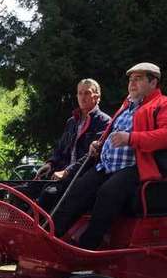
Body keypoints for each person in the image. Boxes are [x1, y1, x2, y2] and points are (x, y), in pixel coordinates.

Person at [51, 62, 167, 249]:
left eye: (138, 79)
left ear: (153, 82)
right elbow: (111, 132)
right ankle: (50, 238)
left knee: (108, 192)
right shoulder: (126, 105)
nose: (132, 83)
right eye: (131, 79)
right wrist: (99, 144)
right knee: (77, 190)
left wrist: (131, 138)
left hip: (137, 167)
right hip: (107, 166)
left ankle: (87, 247)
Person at [35, 79, 111, 211]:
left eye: (87, 93)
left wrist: (68, 171)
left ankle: (41, 230)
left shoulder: (104, 122)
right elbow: (60, 148)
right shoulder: (72, 121)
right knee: (26, 189)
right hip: (60, 173)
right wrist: (50, 163)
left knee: (48, 194)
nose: (82, 97)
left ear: (97, 97)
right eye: (79, 93)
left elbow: (92, 157)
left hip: (81, 176)